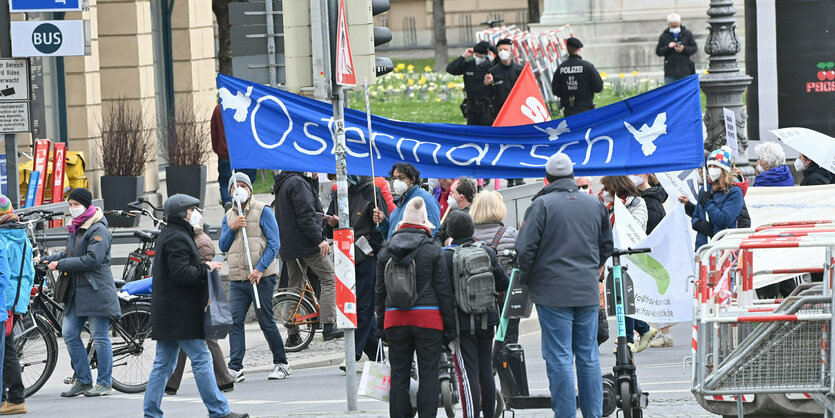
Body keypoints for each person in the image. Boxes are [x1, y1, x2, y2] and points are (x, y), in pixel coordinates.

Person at [515, 153, 613, 418]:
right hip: (587, 290)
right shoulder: (594, 204)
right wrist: (593, 269)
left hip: (551, 291)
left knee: (559, 357)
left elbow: (525, 249)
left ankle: (566, 414)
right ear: (572, 176)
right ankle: (593, 414)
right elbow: (607, 246)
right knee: (588, 355)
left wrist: (528, 279)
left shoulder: (541, 205)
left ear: (546, 179)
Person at [143, 194, 247, 418]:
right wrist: (206, 268)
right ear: (182, 214)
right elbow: (181, 274)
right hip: (182, 314)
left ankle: (151, 413)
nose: (196, 213)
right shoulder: (178, 238)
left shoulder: (170, 234)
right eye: (192, 209)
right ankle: (219, 411)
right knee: (201, 358)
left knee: (163, 364)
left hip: (170, 313)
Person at [375, 198, 455, 418]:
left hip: (394, 320)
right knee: (429, 375)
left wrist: (381, 326)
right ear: (424, 223)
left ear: (402, 223)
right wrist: (449, 328)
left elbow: (379, 292)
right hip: (428, 320)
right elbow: (443, 291)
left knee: (399, 375)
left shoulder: (386, 250)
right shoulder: (432, 250)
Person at [40, 188, 119, 398]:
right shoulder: (76, 228)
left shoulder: (98, 228)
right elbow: (70, 253)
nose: (72, 208)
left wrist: (61, 264)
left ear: (86, 205)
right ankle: (84, 380)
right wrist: (47, 259)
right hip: (75, 291)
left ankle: (104, 382)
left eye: (75, 204)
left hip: (95, 290)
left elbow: (92, 259)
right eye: (70, 204)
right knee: (69, 334)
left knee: (100, 336)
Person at [220, 173, 290, 381]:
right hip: (238, 278)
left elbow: (274, 243)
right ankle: (236, 367)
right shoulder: (229, 215)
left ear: (250, 189)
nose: (239, 189)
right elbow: (223, 245)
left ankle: (282, 363)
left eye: (243, 185)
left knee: (265, 320)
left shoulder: (262, 210)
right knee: (234, 321)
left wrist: (259, 269)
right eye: (235, 186)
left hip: (261, 277)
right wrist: (232, 228)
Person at [442, 211, 507, 418]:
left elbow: (442, 293)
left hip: (461, 324)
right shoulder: (486, 251)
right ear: (472, 229)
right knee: (485, 371)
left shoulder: (446, 255)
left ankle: (471, 415)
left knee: (468, 375)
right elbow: (503, 283)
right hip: (488, 320)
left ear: (450, 232)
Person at [165, 208, 235, 395]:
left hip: (200, 297)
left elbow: (204, 273)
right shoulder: (191, 238)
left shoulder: (201, 242)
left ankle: (223, 380)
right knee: (184, 340)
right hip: (194, 297)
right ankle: (171, 383)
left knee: (206, 340)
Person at [324, 175, 386, 370]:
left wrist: (372, 249)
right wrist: (332, 224)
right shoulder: (337, 193)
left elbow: (382, 226)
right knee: (353, 306)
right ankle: (378, 355)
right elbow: (327, 229)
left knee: (364, 307)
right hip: (344, 257)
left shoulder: (371, 191)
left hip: (366, 257)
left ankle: (353, 352)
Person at [273, 171, 342, 341]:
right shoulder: (298, 183)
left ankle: (293, 334)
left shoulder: (285, 183)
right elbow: (306, 215)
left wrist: (314, 180)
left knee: (294, 286)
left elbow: (309, 207)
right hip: (306, 243)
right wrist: (319, 240)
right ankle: (328, 325)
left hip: (289, 245)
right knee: (329, 279)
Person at [599, 176, 657, 353]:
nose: (604, 192)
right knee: (618, 297)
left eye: (607, 188)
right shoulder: (604, 205)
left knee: (623, 297)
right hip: (610, 255)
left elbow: (638, 226)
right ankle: (644, 329)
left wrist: (622, 213)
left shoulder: (636, 202)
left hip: (628, 255)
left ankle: (629, 340)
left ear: (616, 187)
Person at [630, 174, 677, 348]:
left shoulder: (649, 201)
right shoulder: (650, 197)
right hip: (651, 254)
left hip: (650, 254)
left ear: (645, 175)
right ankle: (661, 335)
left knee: (643, 293)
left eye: (636, 173)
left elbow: (652, 230)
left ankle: (638, 334)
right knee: (648, 293)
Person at [470, 190, 520, 343]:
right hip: (506, 297)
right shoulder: (511, 234)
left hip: (476, 296)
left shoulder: (469, 235)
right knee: (508, 340)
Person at [0, 196, 31, 414]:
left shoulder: (2, 238)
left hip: (4, 298)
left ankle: (13, 397)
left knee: (6, 351)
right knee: (7, 348)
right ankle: (14, 397)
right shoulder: (22, 236)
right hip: (17, 298)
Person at [485, 38, 526, 188]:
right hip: (500, 116)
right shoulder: (493, 72)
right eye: (500, 49)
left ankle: (520, 175)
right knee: (506, 148)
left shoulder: (520, 70)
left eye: (506, 49)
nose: (503, 52)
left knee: (519, 146)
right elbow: (488, 95)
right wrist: (487, 84)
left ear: (511, 51)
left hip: (518, 117)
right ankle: (510, 177)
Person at [692, 149, 744, 251]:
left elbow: (725, 219)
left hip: (723, 247)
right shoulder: (706, 188)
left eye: (715, 166)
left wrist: (708, 203)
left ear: (724, 169)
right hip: (703, 247)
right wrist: (699, 225)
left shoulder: (735, 192)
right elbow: (695, 216)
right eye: (709, 166)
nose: (711, 169)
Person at [373, 163, 441, 240]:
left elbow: (433, 232)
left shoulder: (425, 199)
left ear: (412, 179)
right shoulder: (400, 203)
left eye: (401, 178)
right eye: (394, 178)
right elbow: (391, 237)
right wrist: (383, 222)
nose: (396, 182)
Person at [211, 104, 257, 208]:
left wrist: (218, 149)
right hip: (247, 154)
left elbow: (214, 132)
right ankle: (245, 206)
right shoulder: (248, 106)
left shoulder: (219, 109)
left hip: (226, 154)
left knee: (226, 182)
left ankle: (229, 205)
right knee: (247, 182)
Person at [447, 40, 495, 126]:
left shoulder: (491, 66)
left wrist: (491, 48)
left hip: (487, 106)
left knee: (486, 131)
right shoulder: (469, 65)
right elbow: (450, 69)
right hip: (471, 106)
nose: (477, 58)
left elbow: (500, 60)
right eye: (475, 55)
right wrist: (463, 56)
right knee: (472, 132)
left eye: (479, 56)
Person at [552, 37, 604, 117]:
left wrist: (566, 93)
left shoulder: (561, 68)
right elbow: (598, 87)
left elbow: (555, 90)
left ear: (567, 48)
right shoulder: (588, 67)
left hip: (569, 111)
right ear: (579, 49)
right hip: (586, 110)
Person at [655, 13, 697, 84]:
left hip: (685, 69)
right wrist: (668, 47)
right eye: (672, 26)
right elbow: (659, 51)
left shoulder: (687, 34)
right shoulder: (664, 36)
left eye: (676, 25)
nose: (674, 28)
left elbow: (694, 48)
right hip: (670, 71)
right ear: (668, 24)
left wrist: (683, 48)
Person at [434, 176, 476, 245]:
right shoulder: (452, 213)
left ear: (461, 197)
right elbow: (439, 234)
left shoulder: (473, 215)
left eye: (452, 193)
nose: (449, 196)